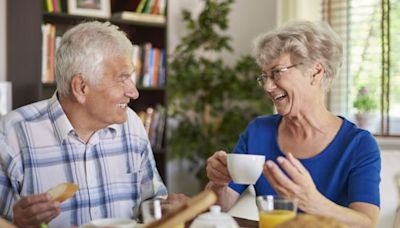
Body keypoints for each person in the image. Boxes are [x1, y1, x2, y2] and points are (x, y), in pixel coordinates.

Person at [0, 21, 185, 228]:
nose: (134, 92)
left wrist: (167, 210)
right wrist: (17, 224)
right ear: (81, 87)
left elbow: (151, 202)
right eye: (122, 79)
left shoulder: (131, 124)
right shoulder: (12, 134)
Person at [206, 21, 380, 227]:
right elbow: (221, 206)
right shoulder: (258, 132)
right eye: (265, 76)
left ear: (316, 72)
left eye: (277, 72)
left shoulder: (358, 144)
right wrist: (219, 184)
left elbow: (367, 222)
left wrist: (313, 202)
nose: (268, 87)